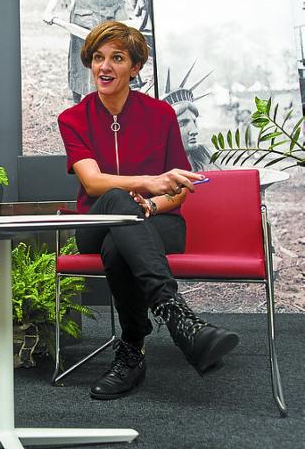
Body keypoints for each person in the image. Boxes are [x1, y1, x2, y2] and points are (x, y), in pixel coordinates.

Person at [57, 20, 239, 400]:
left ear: (135, 67)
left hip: (160, 221)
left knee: (117, 245)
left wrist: (153, 202)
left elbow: (178, 190)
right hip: (94, 223)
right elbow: (93, 183)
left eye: (117, 58)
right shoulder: (73, 118)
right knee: (116, 204)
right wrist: (148, 184)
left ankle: (131, 348)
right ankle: (179, 318)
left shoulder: (161, 115)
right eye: (98, 58)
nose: (104, 67)